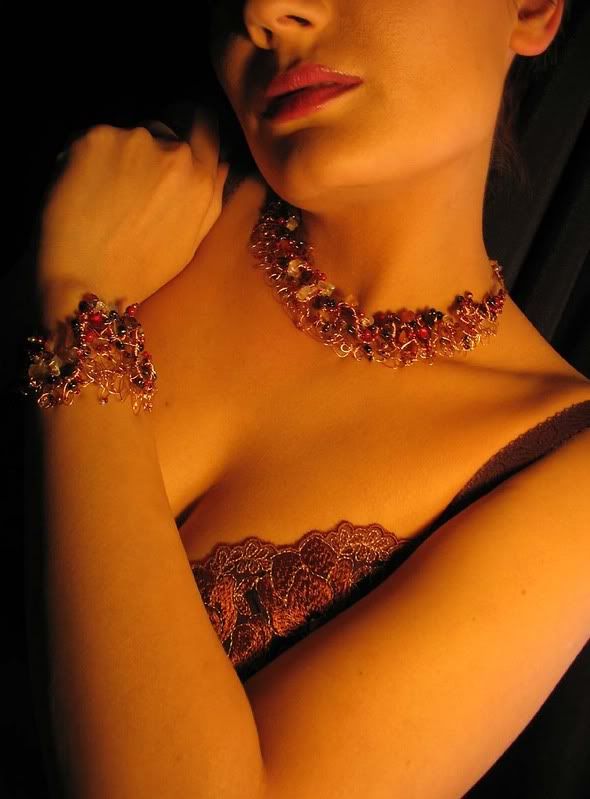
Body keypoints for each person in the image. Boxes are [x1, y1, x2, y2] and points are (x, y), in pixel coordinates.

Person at [21, 1, 590, 797]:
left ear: (528, 8)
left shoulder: (562, 468)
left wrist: (78, 307)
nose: (264, 9)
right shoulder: (133, 188)